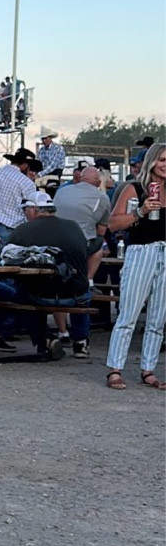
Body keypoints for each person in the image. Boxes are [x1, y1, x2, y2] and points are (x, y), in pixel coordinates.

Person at [104, 141, 166, 390]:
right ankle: (115, 369)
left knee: (158, 317)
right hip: (141, 251)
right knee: (128, 313)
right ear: (151, 161)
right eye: (162, 160)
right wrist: (141, 211)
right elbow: (113, 224)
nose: (165, 165)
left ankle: (148, 369)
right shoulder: (134, 188)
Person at [0, 192, 92, 357]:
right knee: (83, 289)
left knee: (19, 295)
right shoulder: (74, 226)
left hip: (40, 294)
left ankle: (45, 338)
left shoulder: (22, 231)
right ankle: (81, 341)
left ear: (34, 209)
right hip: (75, 294)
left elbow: (6, 256)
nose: (24, 214)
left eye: (25, 209)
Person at [52, 165, 110, 282]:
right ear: (99, 183)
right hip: (81, 244)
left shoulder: (62, 191)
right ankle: (88, 280)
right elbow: (101, 231)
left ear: (80, 178)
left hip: (55, 241)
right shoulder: (102, 198)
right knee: (98, 246)